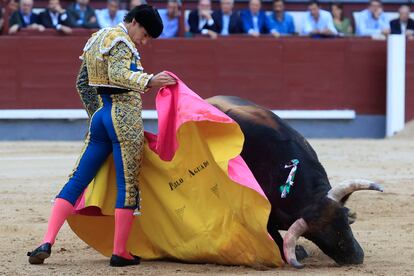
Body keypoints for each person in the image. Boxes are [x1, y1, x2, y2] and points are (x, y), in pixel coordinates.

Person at [26, 4, 176, 267]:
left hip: (102, 117)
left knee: (77, 179)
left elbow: (82, 83)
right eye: (146, 35)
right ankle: (121, 252)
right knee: (127, 185)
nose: (145, 41)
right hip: (124, 118)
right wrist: (148, 81)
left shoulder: (96, 38)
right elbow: (119, 74)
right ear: (136, 23)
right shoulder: (122, 42)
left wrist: (99, 115)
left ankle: (47, 241)